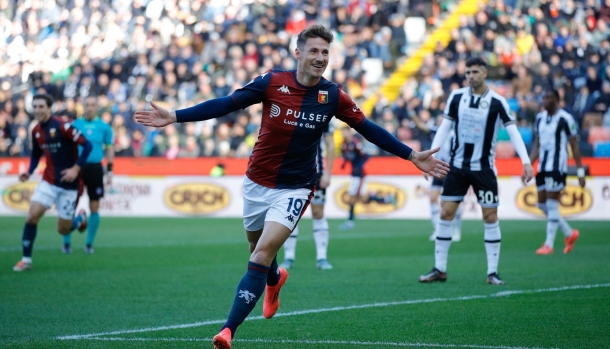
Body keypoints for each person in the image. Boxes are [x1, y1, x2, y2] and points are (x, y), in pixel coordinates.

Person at [134, 25, 449, 349]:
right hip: (256, 182)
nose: (320, 57)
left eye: (325, 52)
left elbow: (368, 128)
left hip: (297, 187)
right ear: (297, 52)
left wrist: (411, 155)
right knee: (258, 252)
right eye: (313, 50)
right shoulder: (272, 82)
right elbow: (227, 104)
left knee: (261, 253)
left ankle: (227, 330)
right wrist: (175, 115)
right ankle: (275, 279)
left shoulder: (332, 95)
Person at [419, 57, 534, 286]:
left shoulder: (498, 102)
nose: (470, 76)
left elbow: (513, 132)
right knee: (445, 213)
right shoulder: (457, 97)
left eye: (474, 72)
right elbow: (444, 127)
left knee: (490, 217)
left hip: (484, 169)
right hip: (458, 167)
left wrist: (526, 161)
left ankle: (492, 272)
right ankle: (439, 269)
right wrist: (429, 156)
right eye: (468, 72)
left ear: (484, 72)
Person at [13, 94, 93, 272]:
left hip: (69, 184)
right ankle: (26, 260)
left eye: (41, 106)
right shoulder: (35, 131)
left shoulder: (63, 126)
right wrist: (29, 171)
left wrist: (76, 168)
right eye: (35, 107)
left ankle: (79, 219)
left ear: (49, 108)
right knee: (32, 216)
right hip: (48, 181)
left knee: (63, 230)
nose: (37, 110)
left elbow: (87, 146)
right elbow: (35, 154)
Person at [529, 89, 584, 255]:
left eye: (548, 98)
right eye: (544, 98)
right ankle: (569, 233)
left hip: (557, 167)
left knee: (552, 205)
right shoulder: (539, 119)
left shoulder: (566, 119)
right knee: (541, 204)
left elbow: (574, 145)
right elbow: (537, 145)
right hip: (542, 167)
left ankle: (549, 244)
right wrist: (528, 165)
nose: (545, 101)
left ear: (557, 100)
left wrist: (580, 172)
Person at [62, 96, 114, 254]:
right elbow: (68, 147)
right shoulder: (75, 125)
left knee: (94, 206)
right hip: (77, 168)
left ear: (97, 107)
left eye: (93, 104)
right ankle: (66, 243)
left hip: (96, 168)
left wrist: (110, 170)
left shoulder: (104, 127)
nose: (90, 107)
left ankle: (89, 243)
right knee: (70, 204)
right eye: (87, 105)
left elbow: (110, 148)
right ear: (83, 107)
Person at [280, 121, 335, 270]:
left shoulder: (323, 115)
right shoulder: (291, 112)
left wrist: (328, 173)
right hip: (293, 173)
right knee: (290, 214)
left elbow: (330, 144)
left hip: (316, 173)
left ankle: (322, 258)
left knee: (318, 212)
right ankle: (289, 257)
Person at [417, 116, 463, 242]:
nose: (440, 122)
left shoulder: (455, 133)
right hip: (438, 168)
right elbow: (421, 125)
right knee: (432, 198)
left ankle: (457, 230)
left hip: (452, 170)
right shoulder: (436, 132)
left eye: (442, 120)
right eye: (438, 120)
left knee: (453, 202)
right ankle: (437, 229)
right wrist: (411, 114)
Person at [338, 126, 369, 230]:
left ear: (349, 133)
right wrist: (344, 163)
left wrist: (358, 167)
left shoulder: (355, 143)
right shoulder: (344, 144)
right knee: (358, 198)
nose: (344, 134)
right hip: (354, 174)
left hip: (360, 174)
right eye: (343, 133)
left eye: (346, 132)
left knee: (354, 197)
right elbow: (347, 156)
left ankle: (350, 221)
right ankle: (350, 220)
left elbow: (366, 156)